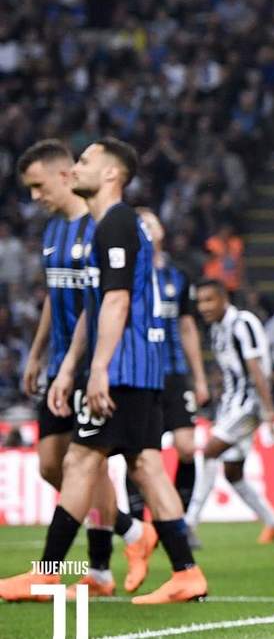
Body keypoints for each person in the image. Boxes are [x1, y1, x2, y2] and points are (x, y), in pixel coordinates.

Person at [1, 138, 206, 604]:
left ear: (111, 173)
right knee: (146, 467)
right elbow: (93, 308)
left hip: (123, 367)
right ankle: (185, 571)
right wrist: (70, 367)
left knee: (79, 462)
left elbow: (116, 301)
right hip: (134, 367)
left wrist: (97, 369)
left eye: (86, 161)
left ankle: (48, 574)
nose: (77, 167)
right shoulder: (106, 224)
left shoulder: (115, 223)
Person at [12, 139, 157, 598]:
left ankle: (95, 570)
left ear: (63, 176)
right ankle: (132, 531)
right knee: (52, 465)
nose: (35, 196)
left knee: (84, 462)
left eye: (39, 186)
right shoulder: (54, 230)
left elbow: (104, 302)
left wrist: (87, 366)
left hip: (94, 362)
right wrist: (38, 353)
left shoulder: (101, 225)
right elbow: (56, 298)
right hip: (62, 362)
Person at [125, 209, 210, 551]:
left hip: (174, 374)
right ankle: (137, 527)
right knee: (138, 453)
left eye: (152, 222)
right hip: (141, 374)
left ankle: (181, 523)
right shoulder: (126, 274)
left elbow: (187, 327)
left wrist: (199, 378)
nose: (147, 227)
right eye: (140, 223)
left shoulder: (178, 276)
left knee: (187, 448)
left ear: (161, 230)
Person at [185, 279, 274, 544]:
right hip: (231, 405)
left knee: (209, 451)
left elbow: (256, 368)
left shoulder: (243, 323)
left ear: (224, 299)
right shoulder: (217, 329)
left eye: (209, 300)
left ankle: (188, 524)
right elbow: (229, 371)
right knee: (233, 472)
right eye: (200, 302)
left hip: (249, 404)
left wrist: (269, 412)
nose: (204, 307)